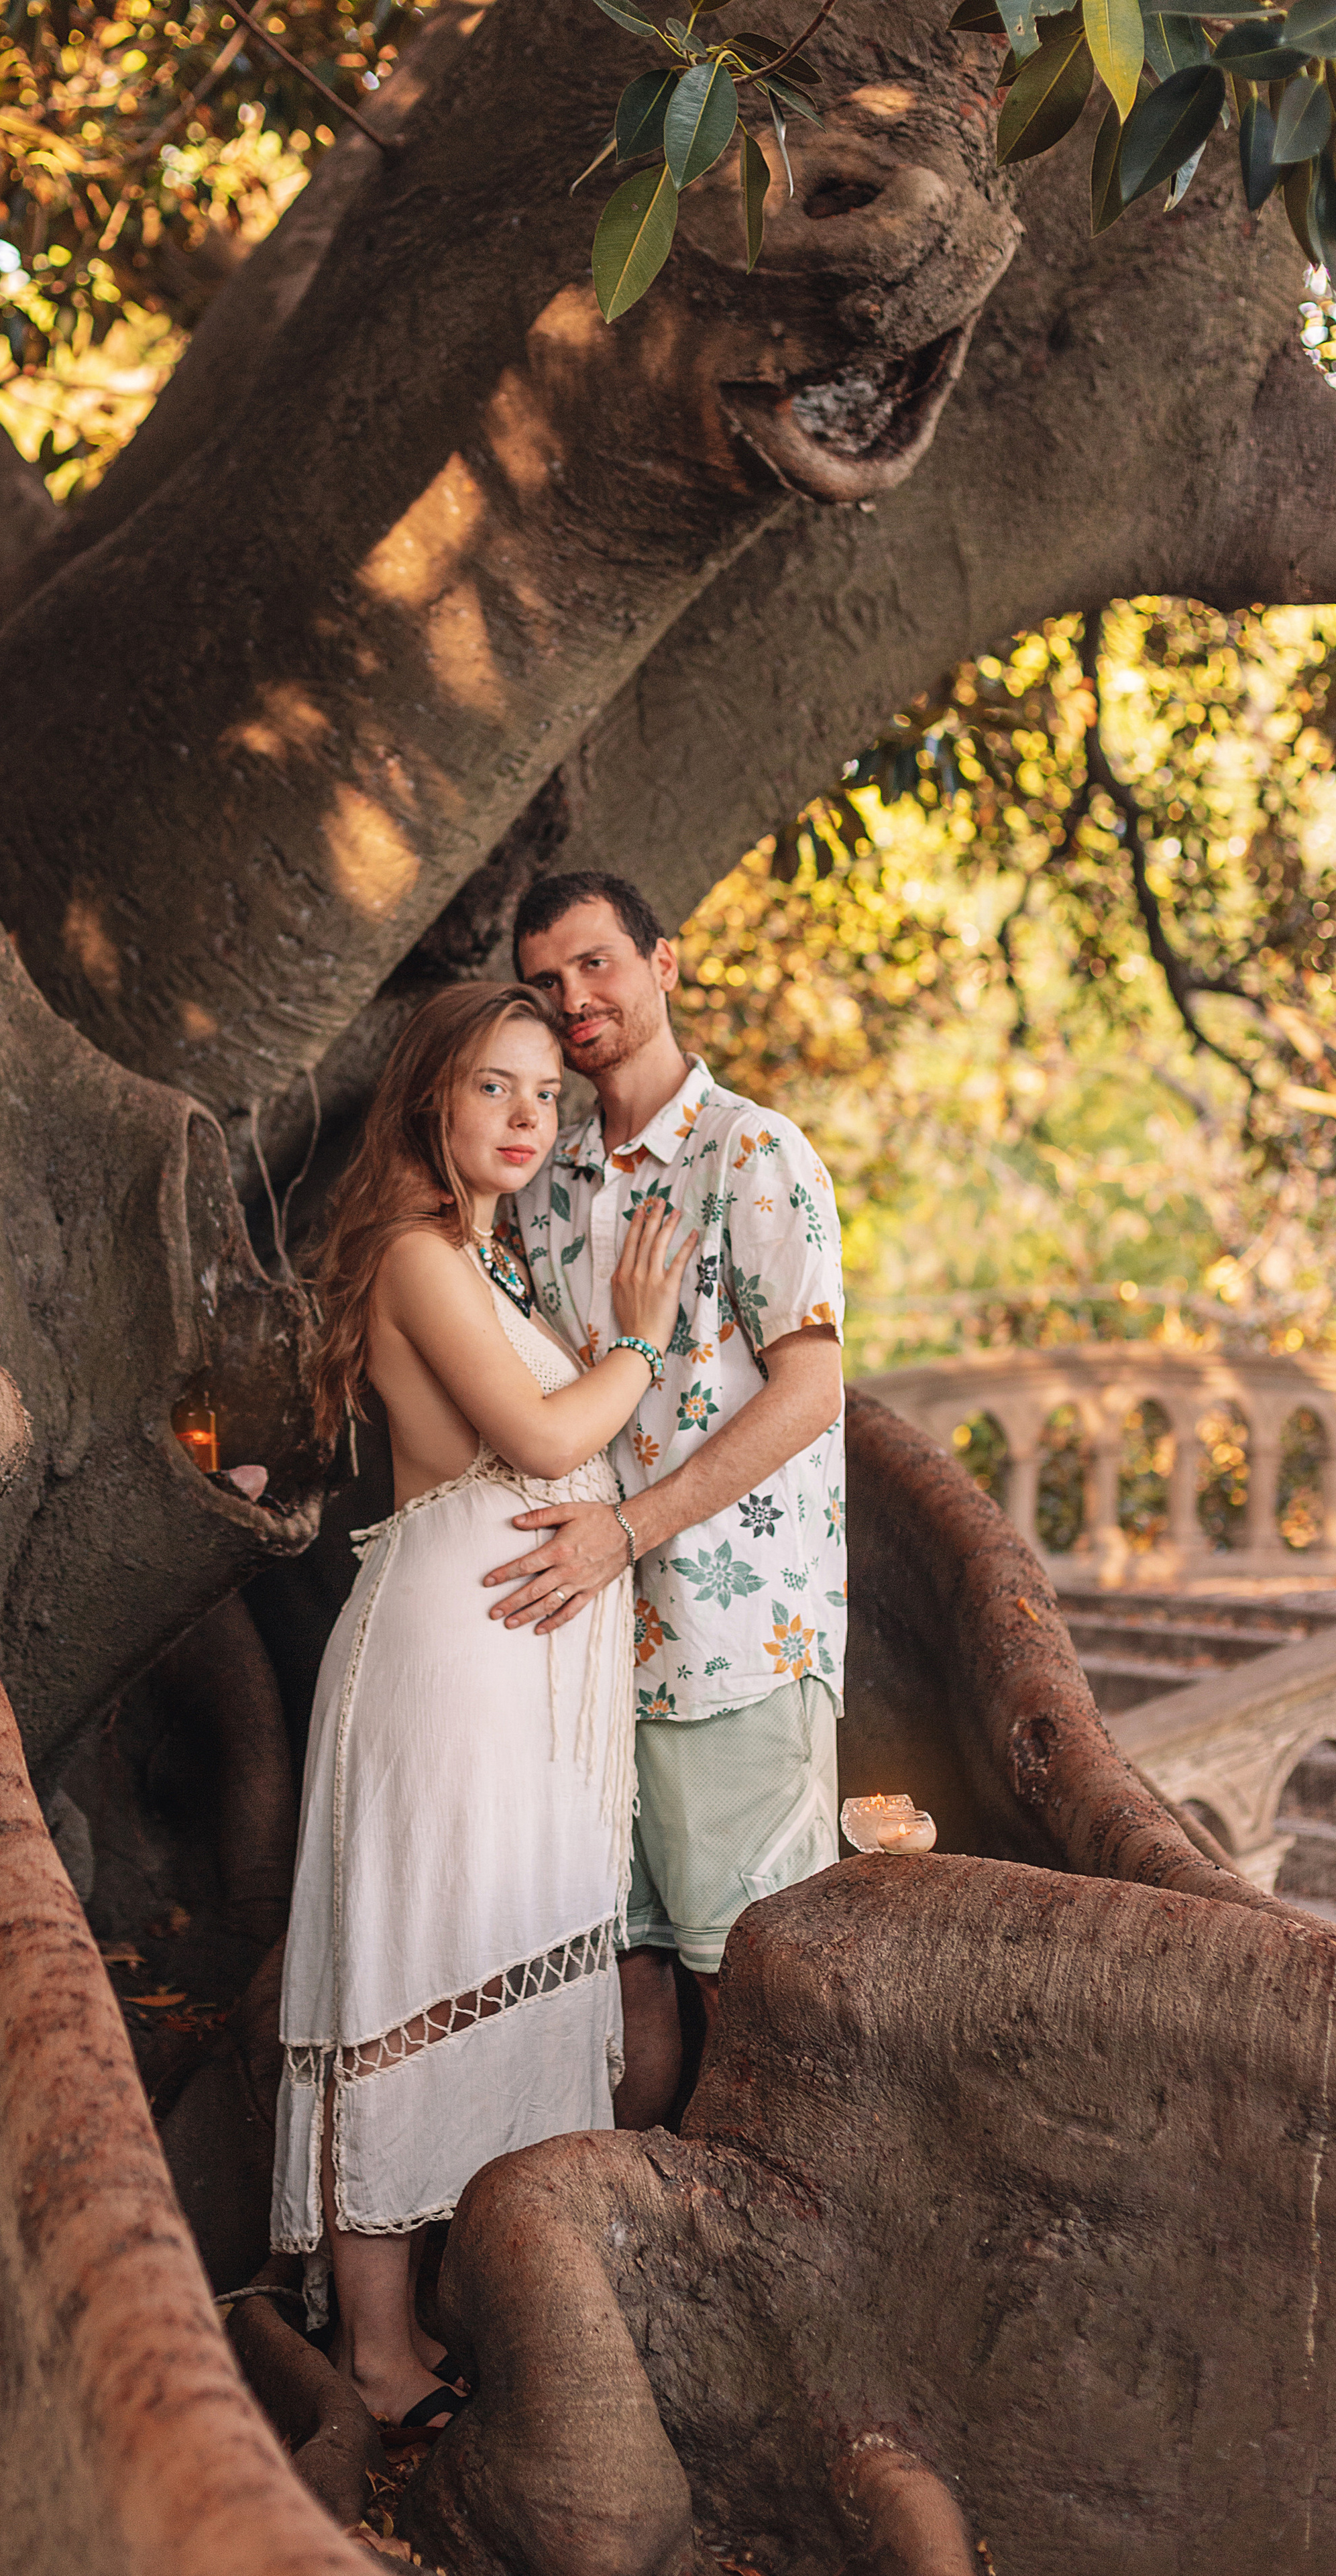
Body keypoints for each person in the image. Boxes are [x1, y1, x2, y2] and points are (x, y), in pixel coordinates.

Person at [271, 979, 695, 2433]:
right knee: (407, 1977)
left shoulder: (485, 1262)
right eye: (493, 1090)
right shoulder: (411, 1253)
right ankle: (375, 2358)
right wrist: (633, 1342)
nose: (526, 1118)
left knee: (489, 1959)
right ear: (429, 1102)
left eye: (543, 1095)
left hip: (510, 1673)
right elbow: (534, 1438)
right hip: (439, 1670)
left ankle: (455, 2303)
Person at [491, 872, 846, 2128]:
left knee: (749, 1982)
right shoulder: (541, 1179)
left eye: (596, 964)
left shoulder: (753, 1155)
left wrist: (630, 1531)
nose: (573, 999)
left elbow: (809, 1392)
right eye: (546, 981)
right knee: (621, 1974)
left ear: (664, 964)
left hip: (734, 1644)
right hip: (585, 1647)